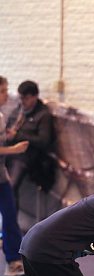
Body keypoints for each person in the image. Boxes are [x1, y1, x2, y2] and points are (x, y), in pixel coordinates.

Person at [6, 80, 55, 212]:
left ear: (35, 96)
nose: (22, 101)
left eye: (26, 98)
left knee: (10, 187)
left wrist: (17, 136)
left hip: (27, 157)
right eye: (20, 98)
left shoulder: (43, 115)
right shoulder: (17, 111)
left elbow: (44, 141)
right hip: (10, 153)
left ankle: (10, 227)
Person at [0, 76, 29, 276]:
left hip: (1, 177)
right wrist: (15, 149)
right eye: (3, 90)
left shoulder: (1, 116)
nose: (6, 94)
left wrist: (9, 134)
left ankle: (13, 261)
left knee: (10, 217)